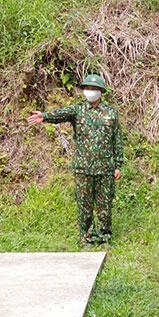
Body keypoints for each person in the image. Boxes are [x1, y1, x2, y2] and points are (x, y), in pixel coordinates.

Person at [27, 73, 123, 247]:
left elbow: (117, 139)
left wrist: (118, 165)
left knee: (105, 205)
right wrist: (44, 117)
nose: (90, 91)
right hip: (83, 168)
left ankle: (104, 237)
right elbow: (61, 114)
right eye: (87, 88)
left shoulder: (111, 113)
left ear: (101, 91)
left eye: (94, 89)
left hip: (105, 168)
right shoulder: (78, 110)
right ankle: (87, 238)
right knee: (85, 205)